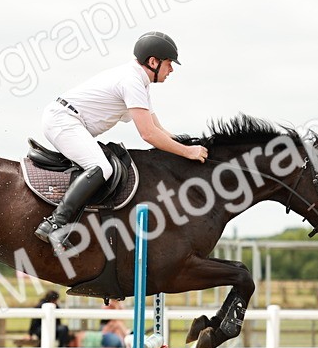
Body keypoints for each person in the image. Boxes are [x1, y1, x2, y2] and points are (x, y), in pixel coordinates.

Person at [34, 31, 209, 244]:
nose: (171, 69)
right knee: (102, 168)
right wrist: (187, 152)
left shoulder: (140, 82)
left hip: (68, 120)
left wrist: (190, 144)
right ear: (153, 61)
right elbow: (149, 135)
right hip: (63, 120)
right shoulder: (132, 81)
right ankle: (55, 223)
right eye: (169, 63)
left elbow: (158, 128)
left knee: (103, 164)